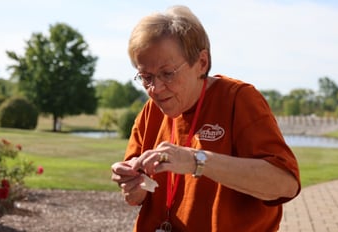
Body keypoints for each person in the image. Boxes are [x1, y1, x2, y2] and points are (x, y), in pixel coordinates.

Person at [111, 5, 300, 232]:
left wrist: (196, 161)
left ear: (201, 63)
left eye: (167, 73)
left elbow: (285, 184)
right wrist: (132, 184)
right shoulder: (151, 111)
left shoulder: (238, 99)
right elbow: (137, 196)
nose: (155, 89)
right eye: (146, 77)